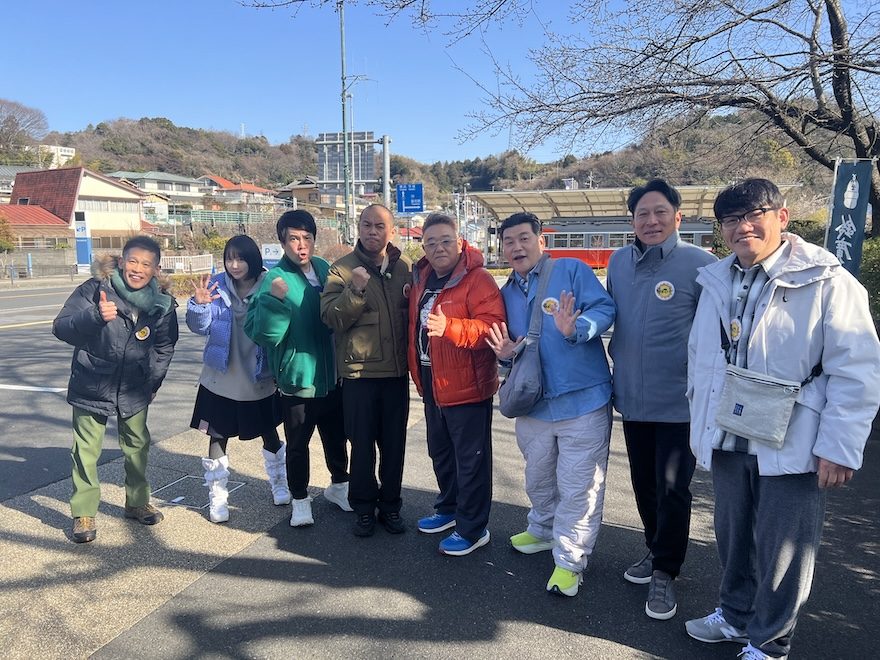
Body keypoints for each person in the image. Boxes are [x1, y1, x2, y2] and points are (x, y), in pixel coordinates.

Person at [684, 178, 880, 659]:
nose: (742, 227)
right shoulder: (716, 280)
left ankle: (770, 643)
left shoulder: (827, 280)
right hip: (728, 431)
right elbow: (701, 358)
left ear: (782, 217)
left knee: (784, 548)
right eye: (731, 220)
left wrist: (839, 446)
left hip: (794, 434)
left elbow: (856, 368)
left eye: (754, 215)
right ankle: (735, 616)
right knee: (732, 535)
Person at [486, 212, 615, 596]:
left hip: (583, 400)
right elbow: (511, 349)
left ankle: (570, 562)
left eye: (524, 238)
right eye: (509, 241)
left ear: (541, 240)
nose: (516, 247)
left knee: (579, 486)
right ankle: (542, 530)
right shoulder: (506, 291)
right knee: (538, 478)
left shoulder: (571, 270)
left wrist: (578, 328)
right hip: (534, 404)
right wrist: (505, 357)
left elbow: (605, 309)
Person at [606, 179, 717, 620]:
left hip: (679, 402)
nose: (651, 221)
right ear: (632, 220)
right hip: (632, 400)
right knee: (643, 484)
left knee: (673, 489)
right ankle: (655, 549)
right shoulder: (618, 262)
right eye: (642, 214)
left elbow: (717, 335)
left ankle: (666, 571)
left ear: (677, 217)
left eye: (660, 212)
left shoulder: (701, 264)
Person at [53, 235, 179, 544]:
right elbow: (61, 327)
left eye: (146, 264)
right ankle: (84, 512)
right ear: (122, 262)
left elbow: (165, 346)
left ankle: (137, 502)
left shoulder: (162, 304)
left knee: (137, 447)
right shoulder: (95, 289)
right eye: (133, 261)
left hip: (135, 387)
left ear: (156, 269)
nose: (138, 269)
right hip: (92, 381)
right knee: (85, 450)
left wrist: (152, 381)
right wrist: (94, 317)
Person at [407, 213, 506, 556]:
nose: (439, 248)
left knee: (471, 462)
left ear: (460, 242)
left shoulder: (478, 280)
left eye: (445, 240)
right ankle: (448, 509)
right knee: (441, 453)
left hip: (467, 387)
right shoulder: (421, 278)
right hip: (431, 382)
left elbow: (493, 328)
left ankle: (473, 529)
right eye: (431, 243)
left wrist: (451, 328)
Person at [246, 210, 351, 527]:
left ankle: (339, 486)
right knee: (297, 445)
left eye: (307, 238)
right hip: (297, 381)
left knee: (336, 438)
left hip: (331, 377)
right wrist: (274, 301)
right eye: (293, 238)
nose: (301, 245)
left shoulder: (323, 268)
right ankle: (300, 500)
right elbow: (263, 335)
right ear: (282, 242)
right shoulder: (274, 280)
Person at [320, 204, 411, 537]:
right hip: (359, 376)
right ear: (358, 228)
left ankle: (391, 505)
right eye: (367, 225)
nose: (373, 231)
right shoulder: (342, 269)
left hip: (396, 375)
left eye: (380, 226)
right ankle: (362, 507)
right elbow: (331, 318)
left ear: (391, 231)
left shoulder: (405, 268)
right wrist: (355, 290)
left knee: (394, 446)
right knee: (361, 447)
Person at [186, 235, 288, 524]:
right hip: (221, 375)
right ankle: (217, 495)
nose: (234, 265)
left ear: (253, 259)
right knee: (218, 434)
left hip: (258, 374)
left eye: (240, 258)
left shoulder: (270, 284)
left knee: (269, 431)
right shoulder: (216, 285)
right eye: (229, 258)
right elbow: (200, 328)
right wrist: (198, 305)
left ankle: (279, 482)